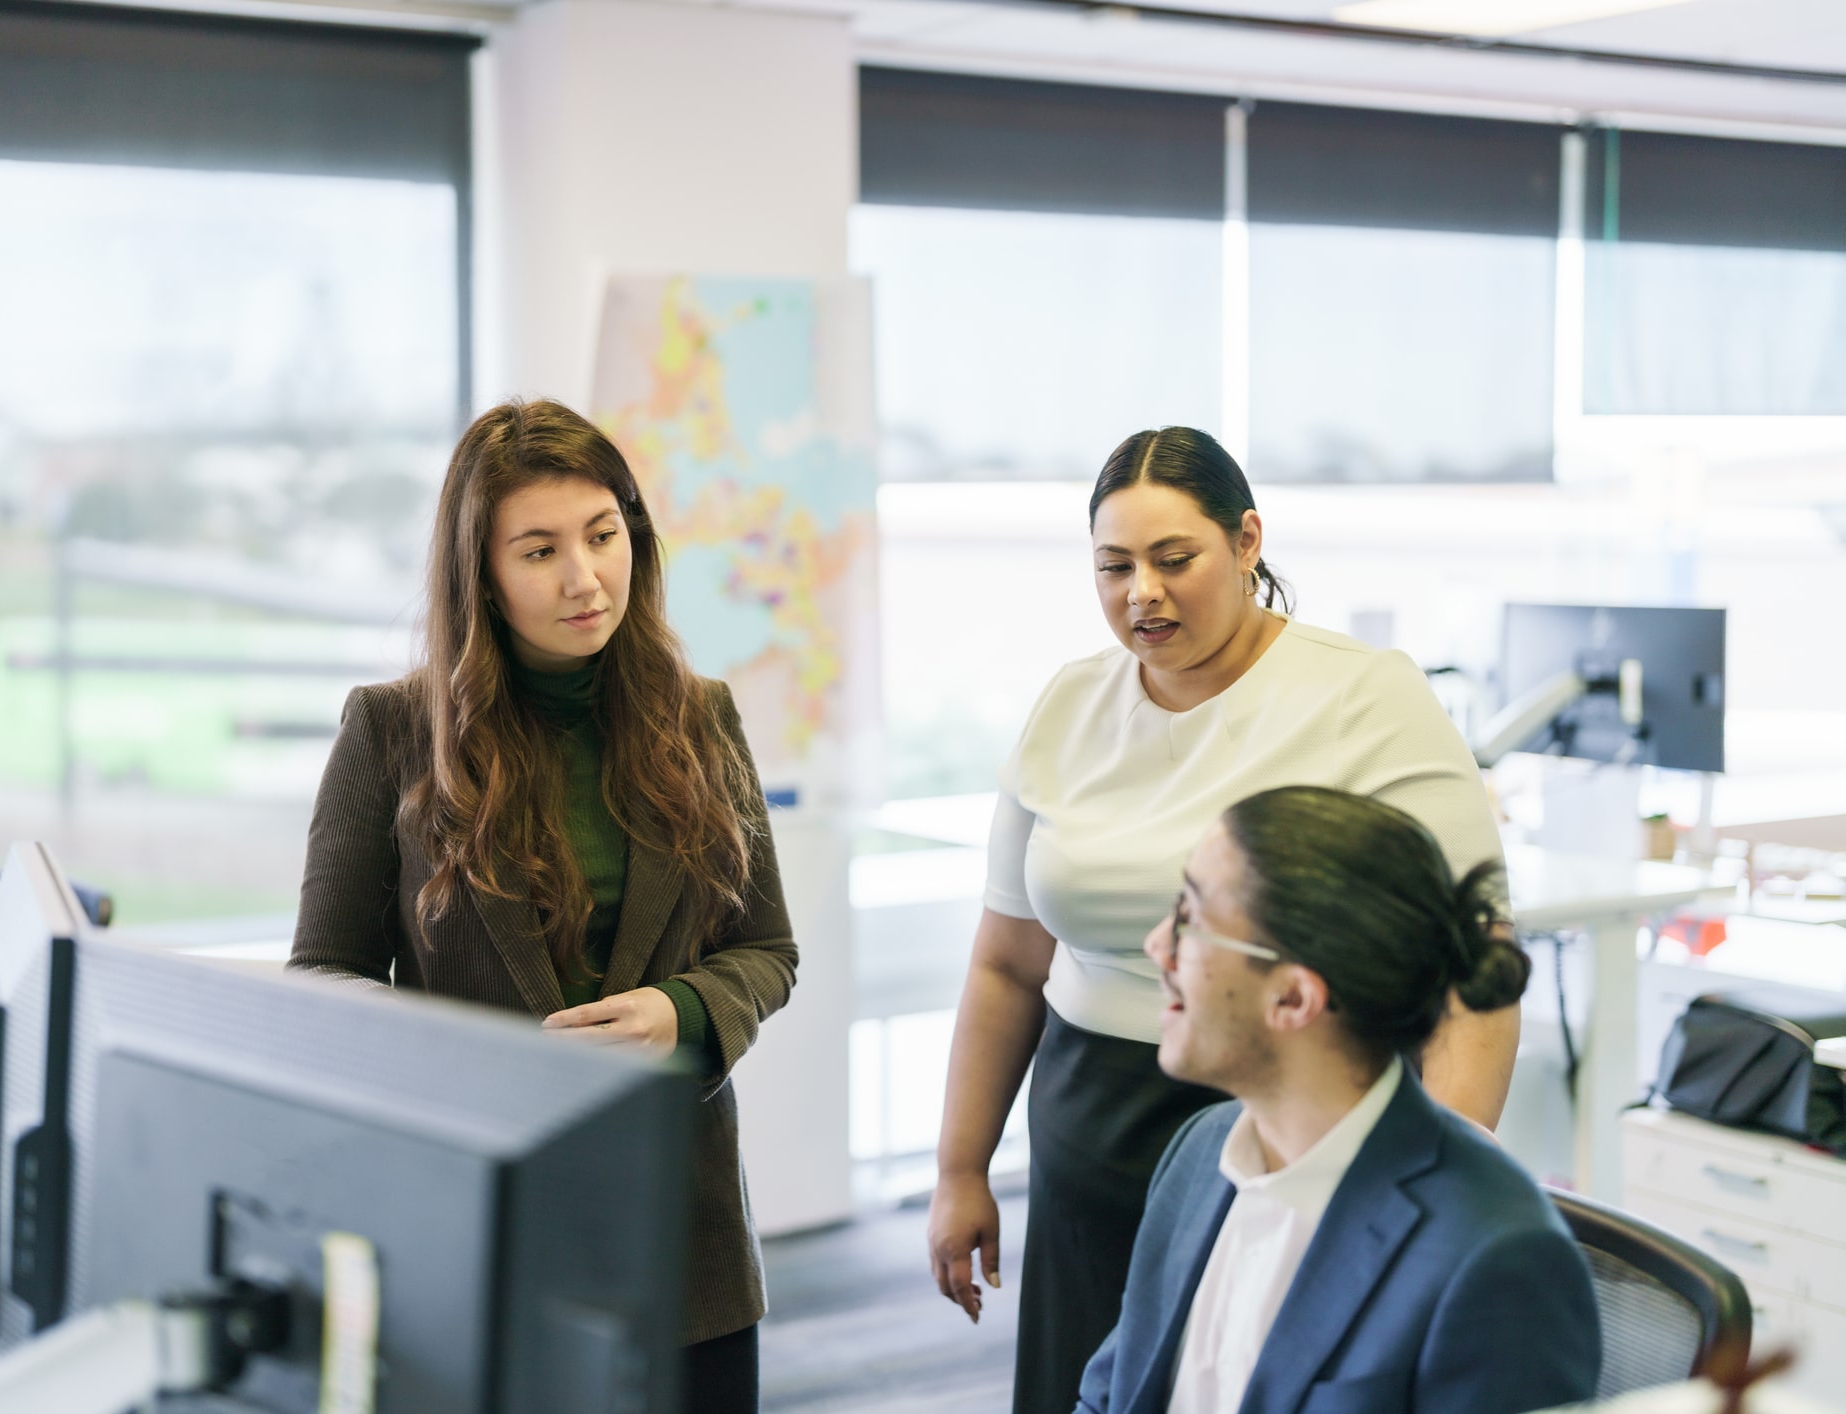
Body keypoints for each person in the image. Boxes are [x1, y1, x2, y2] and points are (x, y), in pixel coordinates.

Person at [927, 427, 1515, 1413]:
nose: (1139, 594)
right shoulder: (1070, 703)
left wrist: (1425, 1194)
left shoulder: (1360, 696)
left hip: (1285, 1109)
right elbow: (1005, 963)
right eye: (1112, 567)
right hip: (1087, 1119)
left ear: (1245, 541)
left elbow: (1477, 958)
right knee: (1093, 1387)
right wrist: (958, 1166)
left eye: (1172, 560)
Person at [288, 398, 795, 1413]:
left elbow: (765, 947)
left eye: (603, 536)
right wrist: (478, 1065)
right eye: (539, 549)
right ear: (480, 573)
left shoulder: (699, 717)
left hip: (674, 1233)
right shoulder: (390, 732)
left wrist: (681, 1013)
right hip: (473, 1224)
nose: (583, 576)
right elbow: (324, 982)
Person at [1074, 785, 1598, 1414]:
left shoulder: (1497, 1258)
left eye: (1191, 919)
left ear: (1294, 999)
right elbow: (1109, 1398)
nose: (1158, 945)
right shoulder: (1199, 1152)